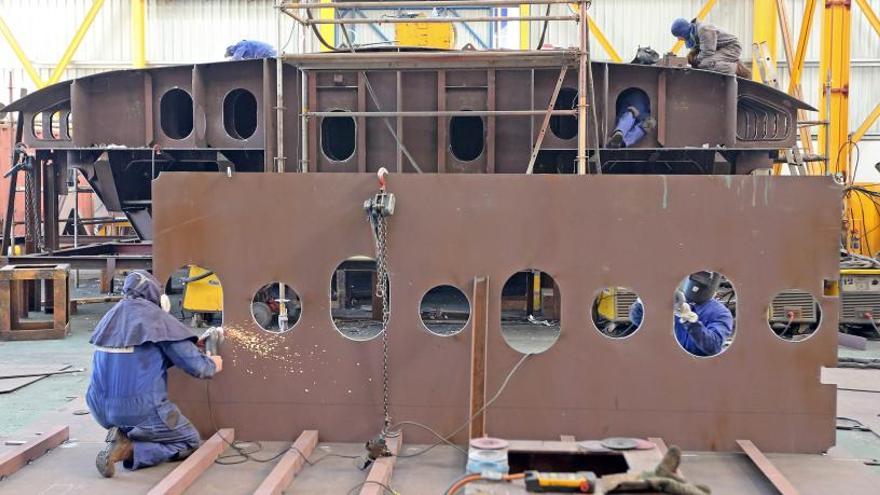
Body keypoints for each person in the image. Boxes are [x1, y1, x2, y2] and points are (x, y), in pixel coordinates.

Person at [86, 271, 223, 478]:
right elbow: (199, 368)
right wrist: (212, 363)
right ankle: (132, 449)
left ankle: (123, 434)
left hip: (99, 409)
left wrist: (191, 345)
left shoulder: (111, 316)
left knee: (141, 421)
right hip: (140, 410)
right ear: (157, 296)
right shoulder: (156, 319)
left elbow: (141, 358)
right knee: (188, 440)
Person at [629, 271, 734, 357]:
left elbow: (713, 347)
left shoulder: (721, 313)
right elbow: (638, 319)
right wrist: (641, 302)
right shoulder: (675, 300)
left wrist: (692, 324)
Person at [670, 18, 743, 76]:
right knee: (699, 63)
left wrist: (694, 59)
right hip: (719, 49)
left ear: (683, 32)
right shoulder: (694, 33)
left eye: (678, 36)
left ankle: (736, 68)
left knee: (705, 63)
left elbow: (707, 52)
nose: (678, 39)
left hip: (732, 47)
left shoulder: (704, 29)